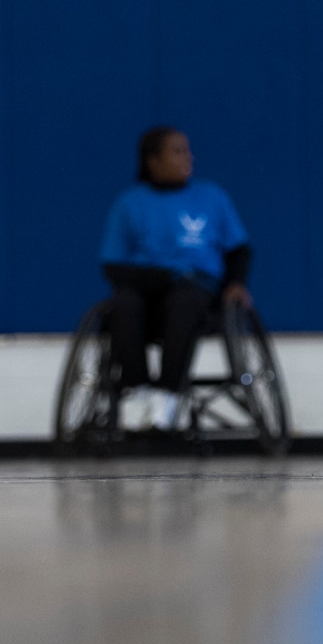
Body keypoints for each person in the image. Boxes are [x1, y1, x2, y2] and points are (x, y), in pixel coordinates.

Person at [98, 127, 252, 432]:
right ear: (153, 161)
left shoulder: (211, 196)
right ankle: (139, 390)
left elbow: (238, 249)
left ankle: (167, 395)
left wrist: (236, 284)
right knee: (124, 305)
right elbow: (113, 263)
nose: (188, 157)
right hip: (146, 286)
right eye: (178, 151)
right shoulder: (130, 203)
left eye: (187, 150)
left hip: (197, 286)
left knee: (183, 302)